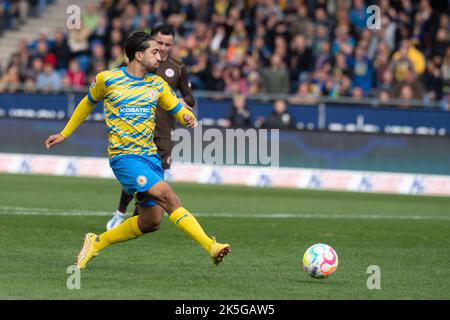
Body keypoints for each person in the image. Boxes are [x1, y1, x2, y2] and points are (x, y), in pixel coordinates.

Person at [44, 32, 231, 269]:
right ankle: (211, 246)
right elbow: (86, 103)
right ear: (138, 55)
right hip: (125, 158)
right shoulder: (108, 79)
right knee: (168, 197)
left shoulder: (157, 84)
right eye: (155, 52)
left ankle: (96, 242)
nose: (160, 56)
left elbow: (177, 110)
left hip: (150, 157)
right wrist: (64, 133)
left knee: (151, 222)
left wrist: (187, 117)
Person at [106, 24, 196, 230]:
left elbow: (190, 97)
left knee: (155, 177)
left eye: (168, 44)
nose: (163, 48)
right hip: (137, 128)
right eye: (159, 43)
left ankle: (139, 219)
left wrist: (182, 101)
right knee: (136, 173)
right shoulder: (141, 64)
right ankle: (120, 213)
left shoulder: (178, 68)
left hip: (164, 130)